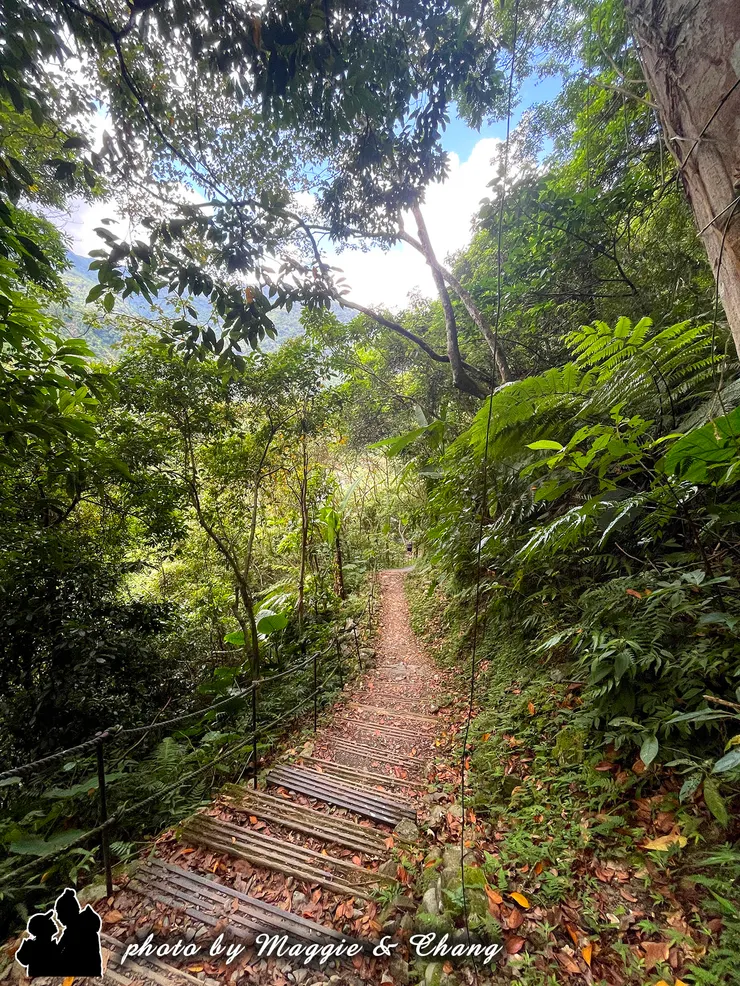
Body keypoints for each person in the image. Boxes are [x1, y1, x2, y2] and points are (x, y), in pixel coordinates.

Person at [55, 888, 103, 976]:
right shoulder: (78, 925)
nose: (58, 917)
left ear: (68, 913)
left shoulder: (76, 929)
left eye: (59, 913)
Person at [15, 911, 63, 978]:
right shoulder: (40, 948)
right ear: (43, 928)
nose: (53, 922)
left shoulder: (48, 944)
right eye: (49, 921)